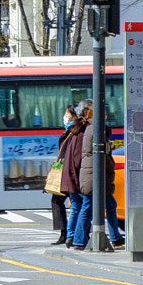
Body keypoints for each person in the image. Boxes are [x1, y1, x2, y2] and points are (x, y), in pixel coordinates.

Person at [82, 106, 124, 248]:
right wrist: (111, 166)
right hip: (97, 176)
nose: (106, 116)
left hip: (94, 175)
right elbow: (104, 155)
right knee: (88, 207)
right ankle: (78, 238)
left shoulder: (90, 129)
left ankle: (114, 237)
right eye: (104, 114)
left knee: (103, 205)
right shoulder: (97, 130)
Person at [48, 103, 80, 244]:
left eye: (67, 114)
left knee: (76, 202)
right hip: (64, 172)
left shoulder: (74, 132)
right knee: (62, 201)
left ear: (74, 116)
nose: (64, 117)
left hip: (69, 173)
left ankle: (71, 234)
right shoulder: (68, 132)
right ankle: (67, 233)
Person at [58, 105, 89, 248]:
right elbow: (78, 160)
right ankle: (76, 237)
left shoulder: (72, 133)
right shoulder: (81, 135)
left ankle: (72, 236)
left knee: (76, 206)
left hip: (69, 176)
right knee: (82, 206)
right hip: (76, 177)